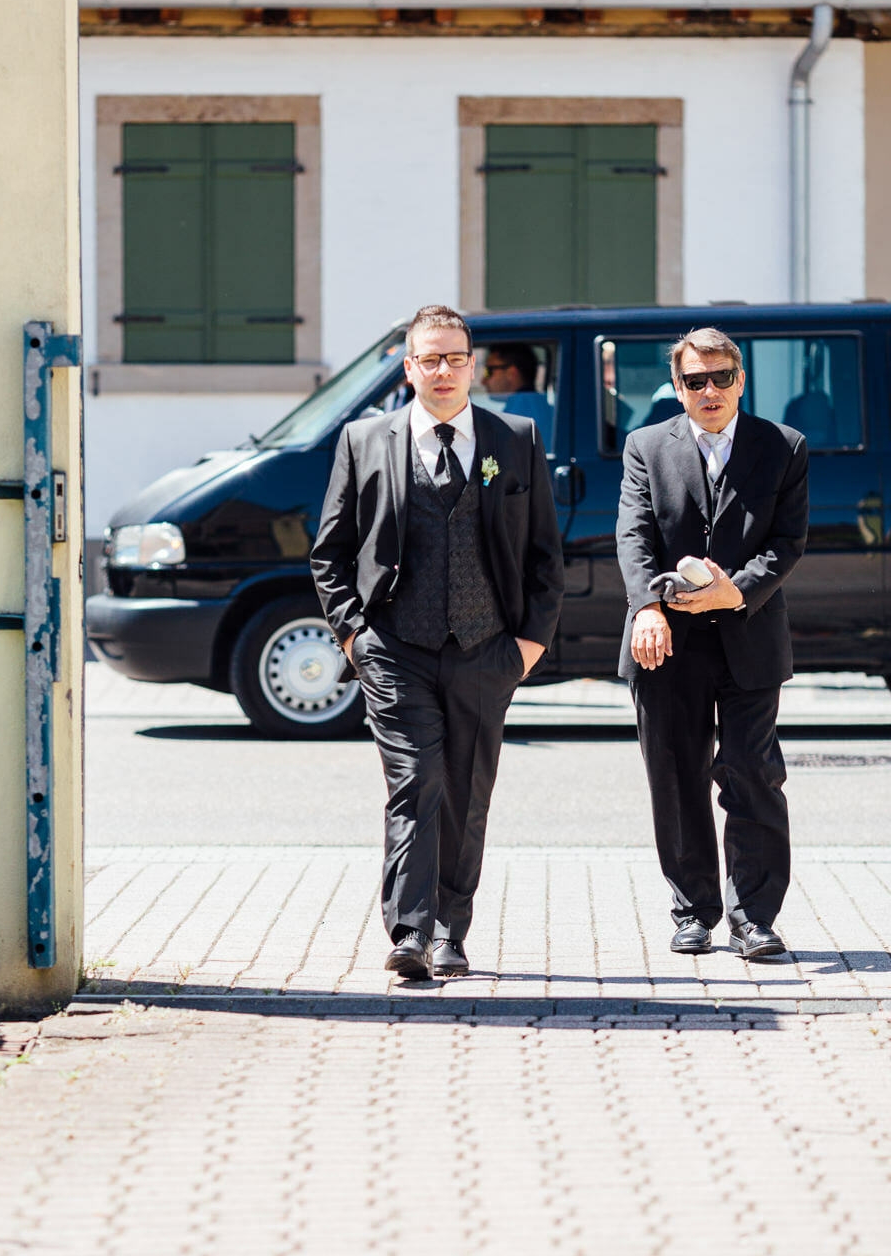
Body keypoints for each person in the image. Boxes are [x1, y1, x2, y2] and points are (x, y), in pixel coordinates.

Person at [312, 305, 564, 980]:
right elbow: (329, 553)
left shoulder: (515, 439)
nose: (445, 370)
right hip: (395, 648)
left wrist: (529, 645)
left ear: (473, 364)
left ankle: (453, 930)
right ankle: (410, 931)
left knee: (466, 792)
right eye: (431, 358)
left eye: (456, 357)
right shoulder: (365, 441)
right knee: (416, 783)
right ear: (408, 368)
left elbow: (544, 554)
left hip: (487, 649)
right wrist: (353, 635)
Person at [615, 326, 809, 960]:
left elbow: (787, 541)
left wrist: (739, 590)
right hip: (665, 640)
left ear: (740, 381)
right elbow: (634, 535)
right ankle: (693, 910)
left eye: (721, 377)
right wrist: (646, 607)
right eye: (694, 381)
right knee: (675, 776)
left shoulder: (783, 447)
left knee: (752, 775)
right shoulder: (646, 446)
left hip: (750, 636)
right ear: (677, 388)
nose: (709, 391)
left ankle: (754, 917)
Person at [482, 343, 554, 449]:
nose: (483, 381)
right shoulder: (538, 406)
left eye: (488, 371)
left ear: (512, 373)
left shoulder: (521, 412)